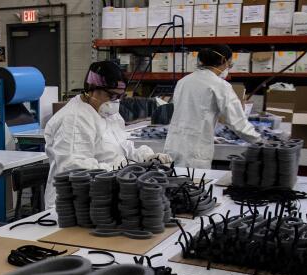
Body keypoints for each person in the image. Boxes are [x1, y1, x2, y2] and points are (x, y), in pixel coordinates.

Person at [43, 61, 172, 208]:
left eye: (119, 97)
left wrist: (146, 157)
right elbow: (73, 168)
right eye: (111, 95)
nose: (115, 102)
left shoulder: (109, 114)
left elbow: (124, 148)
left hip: (104, 197)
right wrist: (116, 168)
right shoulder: (74, 119)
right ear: (91, 89)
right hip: (73, 204)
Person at [164, 45, 260, 169]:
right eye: (229, 64)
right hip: (195, 151)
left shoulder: (183, 81)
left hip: (174, 145)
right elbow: (237, 122)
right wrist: (259, 141)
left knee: (172, 183)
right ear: (223, 61)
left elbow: (186, 114)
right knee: (192, 186)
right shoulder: (220, 85)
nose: (228, 68)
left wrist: (210, 135)